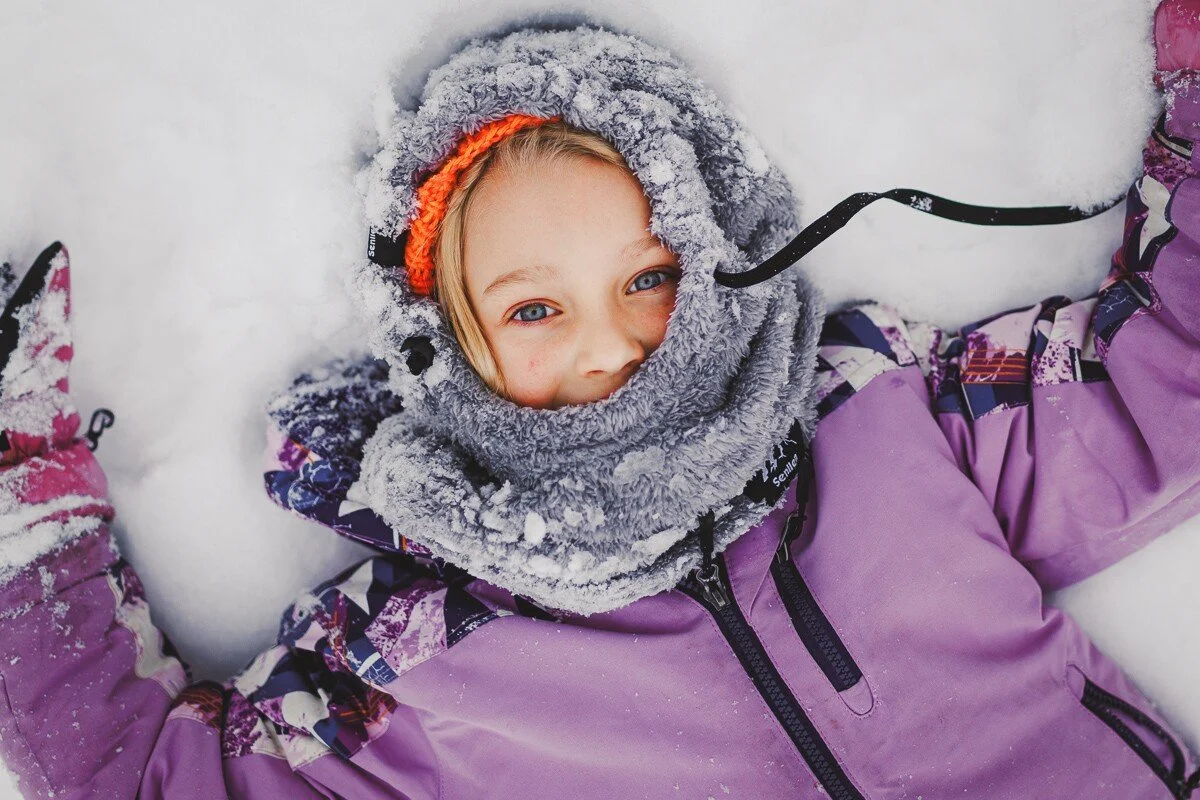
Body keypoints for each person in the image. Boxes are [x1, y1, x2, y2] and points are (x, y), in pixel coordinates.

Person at [0, 7, 1197, 798]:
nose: (615, 343)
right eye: (532, 308)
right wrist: (23, 496)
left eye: (650, 277)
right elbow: (141, 778)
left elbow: (1165, 382)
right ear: (447, 346)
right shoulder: (418, 660)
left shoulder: (883, 419)